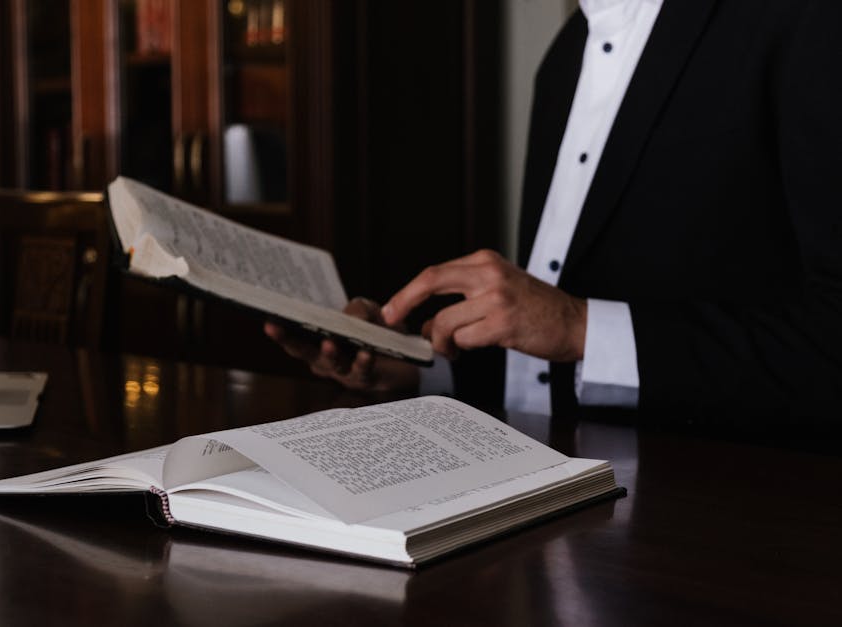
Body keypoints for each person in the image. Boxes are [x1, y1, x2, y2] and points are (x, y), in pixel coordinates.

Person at [266, 0, 842, 428]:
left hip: (726, 540)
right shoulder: (564, 59)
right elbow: (544, 353)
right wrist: (414, 366)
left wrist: (578, 327)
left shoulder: (805, 19)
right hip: (550, 523)